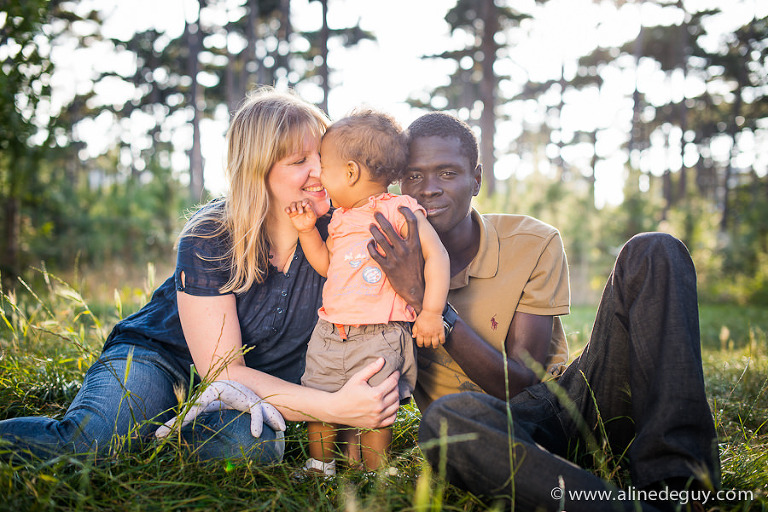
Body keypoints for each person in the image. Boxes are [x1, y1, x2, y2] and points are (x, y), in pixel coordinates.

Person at [0, 88, 401, 463]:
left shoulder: (345, 233)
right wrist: (334, 408)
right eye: (299, 162)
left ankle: (159, 440)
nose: (319, 172)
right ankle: (138, 432)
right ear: (257, 170)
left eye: (322, 157)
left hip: (245, 391)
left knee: (251, 446)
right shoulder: (211, 235)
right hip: (162, 360)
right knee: (94, 443)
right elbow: (223, 370)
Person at [367, 112, 720, 511]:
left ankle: (681, 486)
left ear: (476, 180)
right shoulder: (379, 257)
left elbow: (523, 385)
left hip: (565, 407)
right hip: (489, 438)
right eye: (413, 176)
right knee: (445, 419)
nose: (429, 189)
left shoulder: (531, 242)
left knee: (655, 249)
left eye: (447, 173)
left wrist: (425, 301)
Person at [285, 109, 449, 475]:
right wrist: (307, 231)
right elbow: (327, 266)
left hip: (381, 334)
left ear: (350, 172)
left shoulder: (400, 210)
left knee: (378, 407)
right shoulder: (340, 219)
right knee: (320, 398)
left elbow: (436, 256)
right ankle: (320, 465)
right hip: (330, 332)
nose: (319, 175)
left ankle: (376, 473)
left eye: (323, 166)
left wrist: (431, 312)